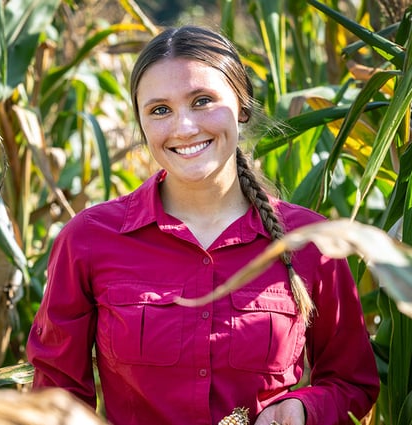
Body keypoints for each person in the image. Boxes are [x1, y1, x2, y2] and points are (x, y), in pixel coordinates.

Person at [26, 25, 380, 425]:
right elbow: (56, 394)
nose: (184, 127)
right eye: (160, 110)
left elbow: (353, 384)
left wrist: (302, 409)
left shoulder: (313, 244)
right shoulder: (89, 239)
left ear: (242, 106)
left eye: (202, 101)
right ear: (142, 124)